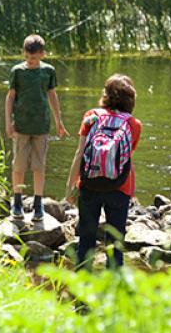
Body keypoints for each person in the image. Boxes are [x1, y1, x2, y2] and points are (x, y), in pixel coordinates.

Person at [64, 74, 142, 270]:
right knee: (115, 245)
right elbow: (127, 158)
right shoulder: (134, 124)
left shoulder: (91, 116)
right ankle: (113, 293)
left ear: (105, 95)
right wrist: (130, 192)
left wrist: (71, 186)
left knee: (86, 243)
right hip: (119, 188)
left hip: (89, 185)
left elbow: (80, 153)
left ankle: (81, 295)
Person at [5, 34, 68, 222]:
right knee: (19, 165)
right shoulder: (17, 71)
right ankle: (17, 202)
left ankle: (38, 203)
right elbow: (10, 97)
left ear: (42, 54)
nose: (30, 61)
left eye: (34, 58)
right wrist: (8, 122)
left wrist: (59, 121)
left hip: (41, 126)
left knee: (39, 165)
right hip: (21, 126)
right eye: (27, 58)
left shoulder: (48, 71)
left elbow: (52, 96)